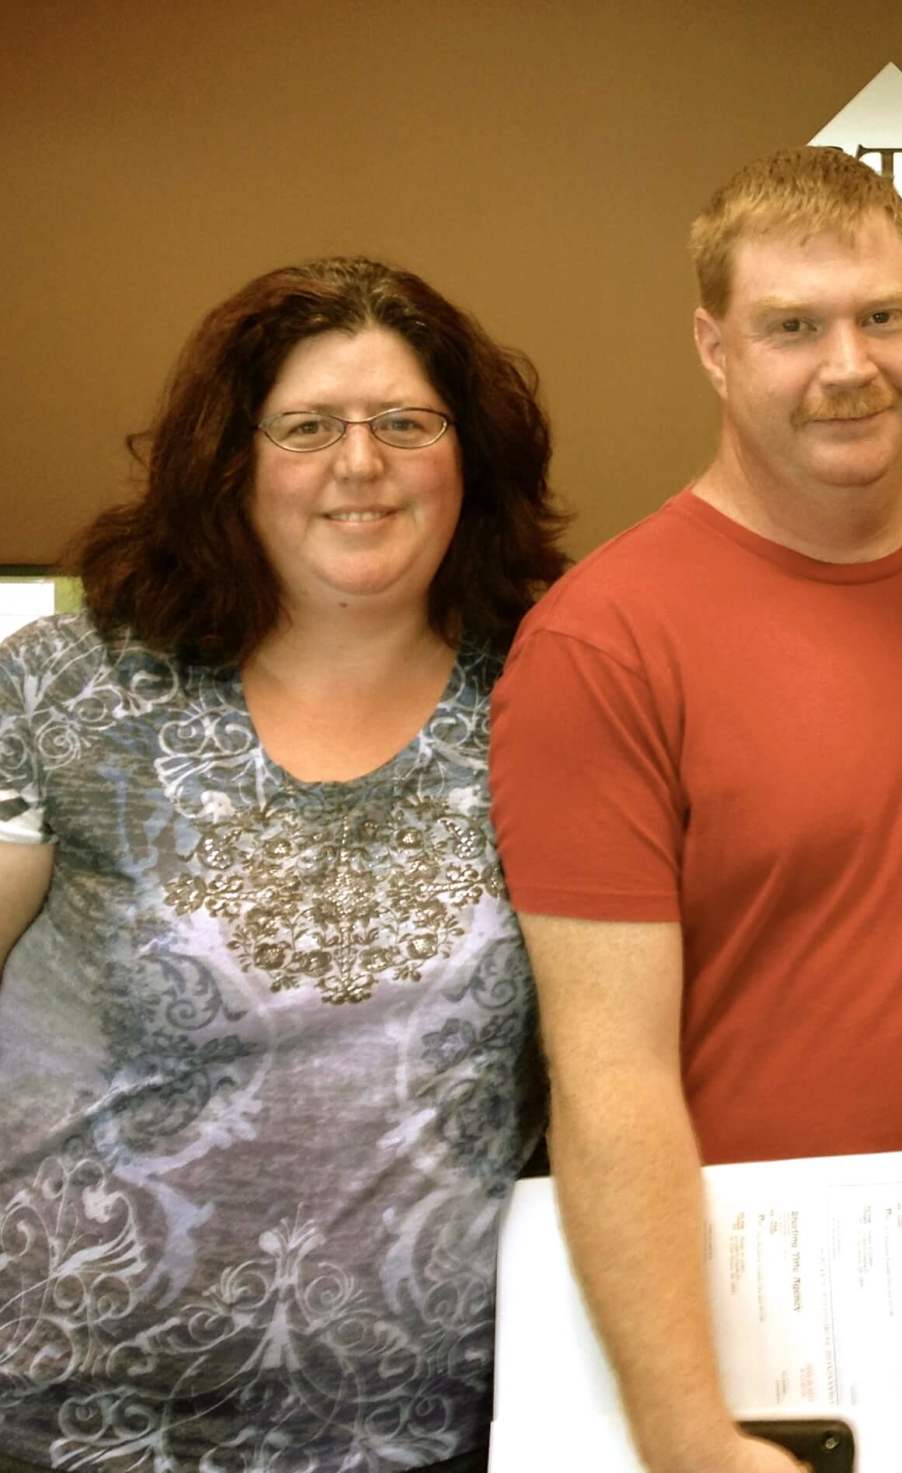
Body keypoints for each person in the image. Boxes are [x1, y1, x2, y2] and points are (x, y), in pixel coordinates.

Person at [487, 146, 902, 1473]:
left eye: (885, 315)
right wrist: (685, 1428)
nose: (850, 364)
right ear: (714, 347)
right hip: (742, 1345)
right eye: (793, 327)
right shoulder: (603, 642)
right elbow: (608, 1078)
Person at [0, 258, 568, 1472]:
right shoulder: (66, 684)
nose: (358, 464)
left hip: (425, 1428)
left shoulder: (553, 698)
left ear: (469, 457)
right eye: (307, 427)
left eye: (406, 424)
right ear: (231, 461)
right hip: (67, 1415)